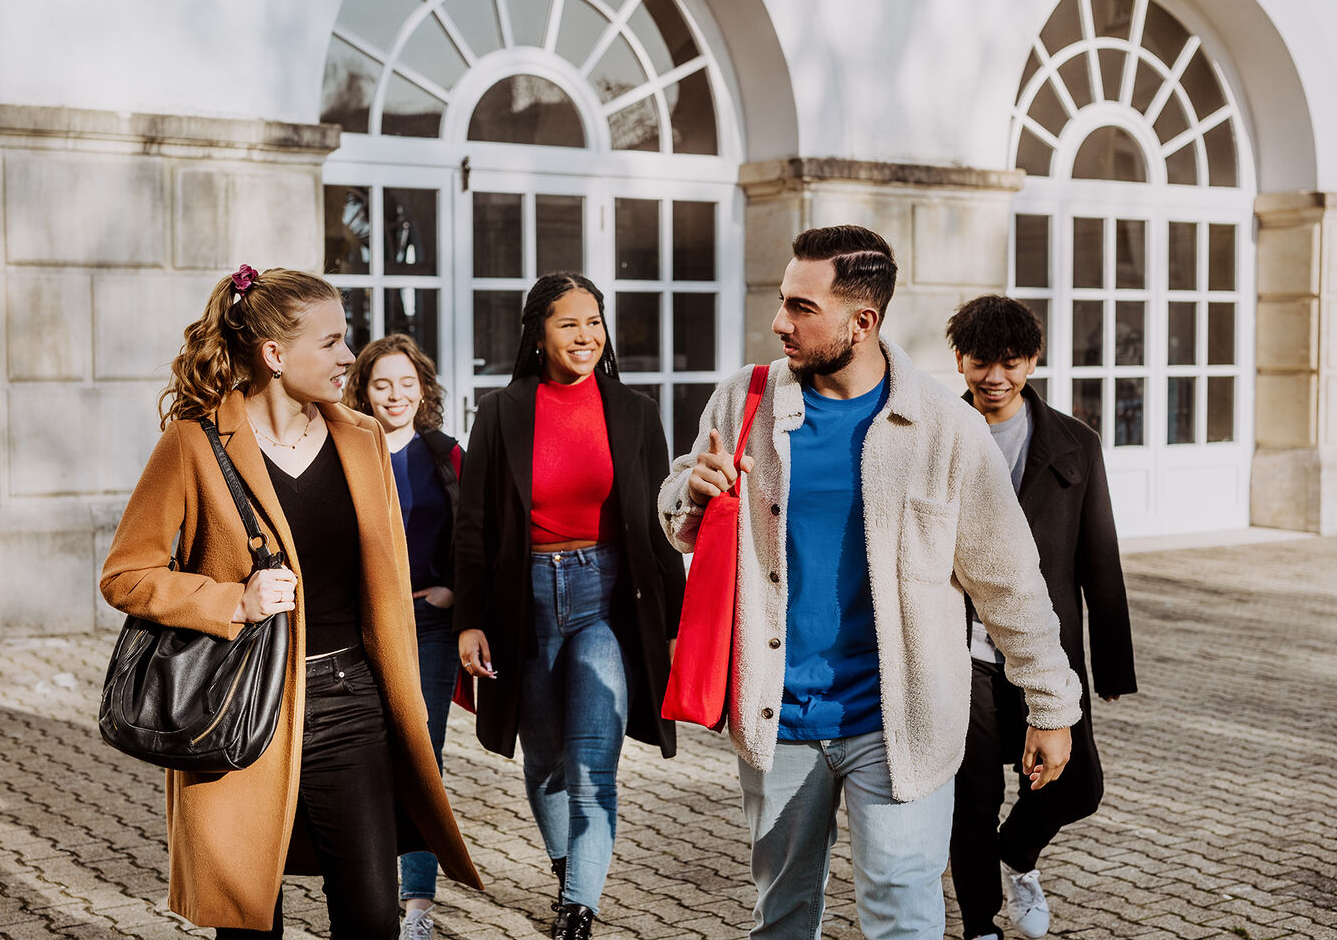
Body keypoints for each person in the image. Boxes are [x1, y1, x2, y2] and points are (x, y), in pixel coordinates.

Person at [657, 226, 1083, 940]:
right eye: (781, 301)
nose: (779, 322)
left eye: (801, 306)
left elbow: (1010, 579)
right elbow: (681, 515)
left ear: (863, 322)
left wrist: (1052, 704)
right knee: (783, 916)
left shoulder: (946, 428)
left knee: (902, 917)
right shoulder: (743, 403)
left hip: (902, 721)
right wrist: (689, 495)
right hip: (778, 717)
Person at [100, 266, 481, 938]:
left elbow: (387, 580)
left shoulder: (359, 438)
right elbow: (126, 573)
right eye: (332, 342)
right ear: (275, 355)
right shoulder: (196, 441)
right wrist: (231, 601)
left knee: (370, 916)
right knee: (249, 920)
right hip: (243, 702)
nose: (347, 358)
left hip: (351, 699)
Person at [453, 272, 686, 940]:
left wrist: (673, 627)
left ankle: (577, 907)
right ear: (539, 332)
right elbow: (472, 526)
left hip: (605, 604)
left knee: (591, 763)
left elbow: (660, 529)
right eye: (569, 323)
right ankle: (569, 869)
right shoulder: (501, 412)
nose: (586, 336)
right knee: (544, 760)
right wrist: (469, 619)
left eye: (594, 322)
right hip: (520, 606)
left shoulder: (638, 414)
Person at [945, 295, 1137, 940]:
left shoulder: (1074, 443)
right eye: (980, 362)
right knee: (970, 800)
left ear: (1033, 360)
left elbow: (1098, 558)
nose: (994, 376)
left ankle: (1017, 856)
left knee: (1076, 785)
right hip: (957, 648)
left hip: (1044, 650)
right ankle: (980, 926)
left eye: (1010, 361)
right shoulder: (935, 432)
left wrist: (1111, 664)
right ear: (960, 360)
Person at [343, 333, 464, 940]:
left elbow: (476, 532)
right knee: (364, 759)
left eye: (407, 383)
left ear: (424, 390)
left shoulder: (446, 452)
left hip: (431, 626)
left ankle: (417, 905)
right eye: (382, 384)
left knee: (422, 758)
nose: (396, 395)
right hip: (361, 628)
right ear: (362, 390)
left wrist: (454, 592)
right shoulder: (343, 452)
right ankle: (366, 893)